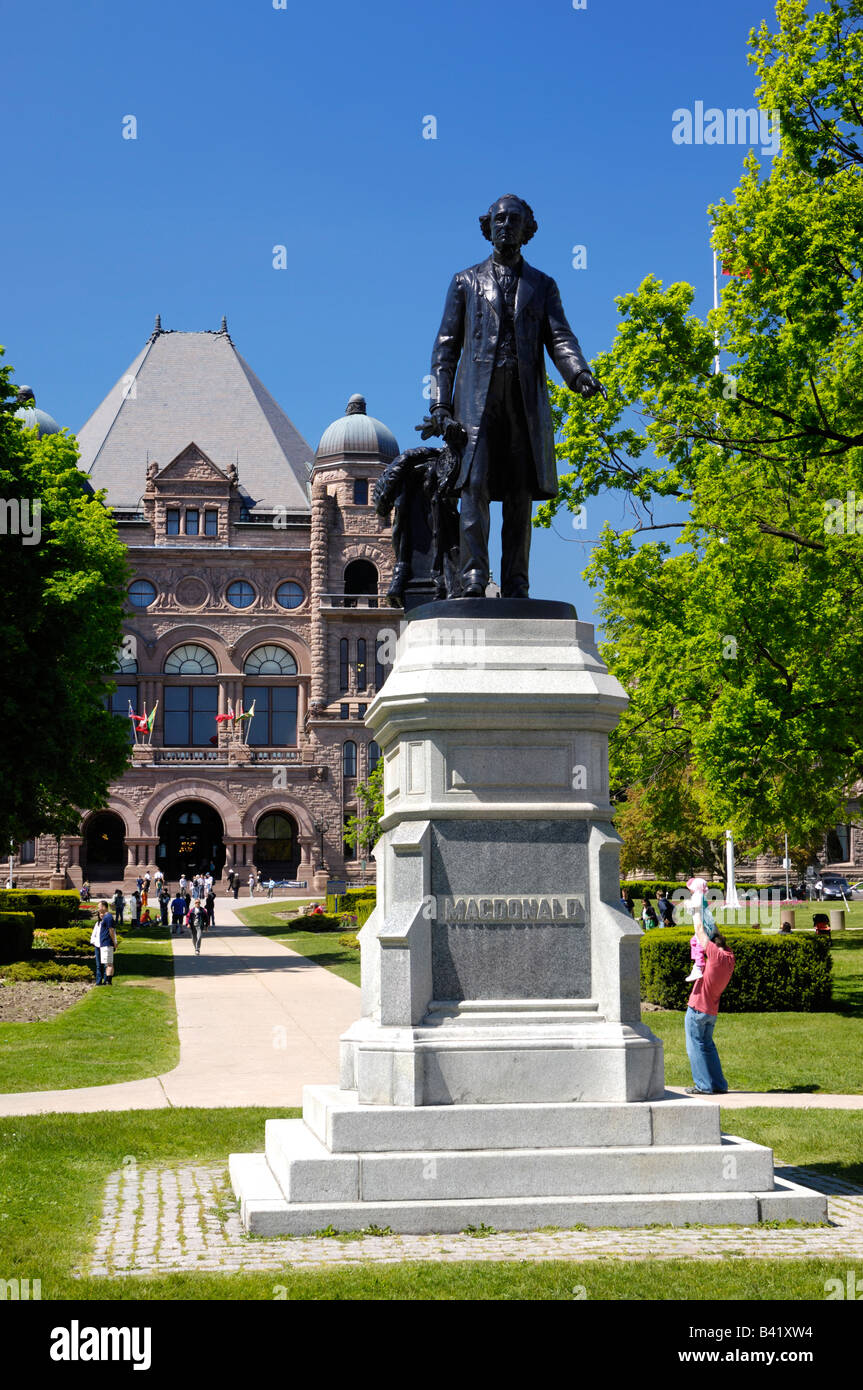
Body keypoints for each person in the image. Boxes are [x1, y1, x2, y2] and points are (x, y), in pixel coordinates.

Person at [429, 194, 605, 596]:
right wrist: (440, 403)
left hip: (524, 402)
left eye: (514, 220)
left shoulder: (542, 286)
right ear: (487, 226)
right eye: (499, 218)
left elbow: (559, 337)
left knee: (519, 494)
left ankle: (516, 582)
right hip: (476, 402)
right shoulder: (465, 281)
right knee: (475, 487)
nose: (505, 224)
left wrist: (579, 375)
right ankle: (473, 576)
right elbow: (445, 346)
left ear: (527, 230)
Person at [684, 904, 735, 1096]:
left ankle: (703, 1086)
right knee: (707, 1046)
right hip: (711, 1010)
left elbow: (700, 932)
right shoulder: (729, 956)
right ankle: (718, 1084)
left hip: (697, 1008)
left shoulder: (714, 955)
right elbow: (715, 932)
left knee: (695, 1047)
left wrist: (697, 911)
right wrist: (706, 911)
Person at [684, 877, 716, 982]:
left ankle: (698, 966)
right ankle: (697, 965)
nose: (689, 890)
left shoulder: (698, 895)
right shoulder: (701, 896)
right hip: (707, 925)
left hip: (703, 926)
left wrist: (687, 904)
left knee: (698, 944)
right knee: (693, 941)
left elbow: (696, 906)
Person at [93, 900, 117, 986]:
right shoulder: (106, 918)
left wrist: (114, 942)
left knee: (109, 964)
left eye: (99, 907)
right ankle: (107, 981)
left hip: (107, 944)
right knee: (108, 963)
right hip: (104, 944)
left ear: (104, 907)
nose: (98, 908)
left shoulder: (108, 917)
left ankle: (108, 982)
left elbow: (111, 930)